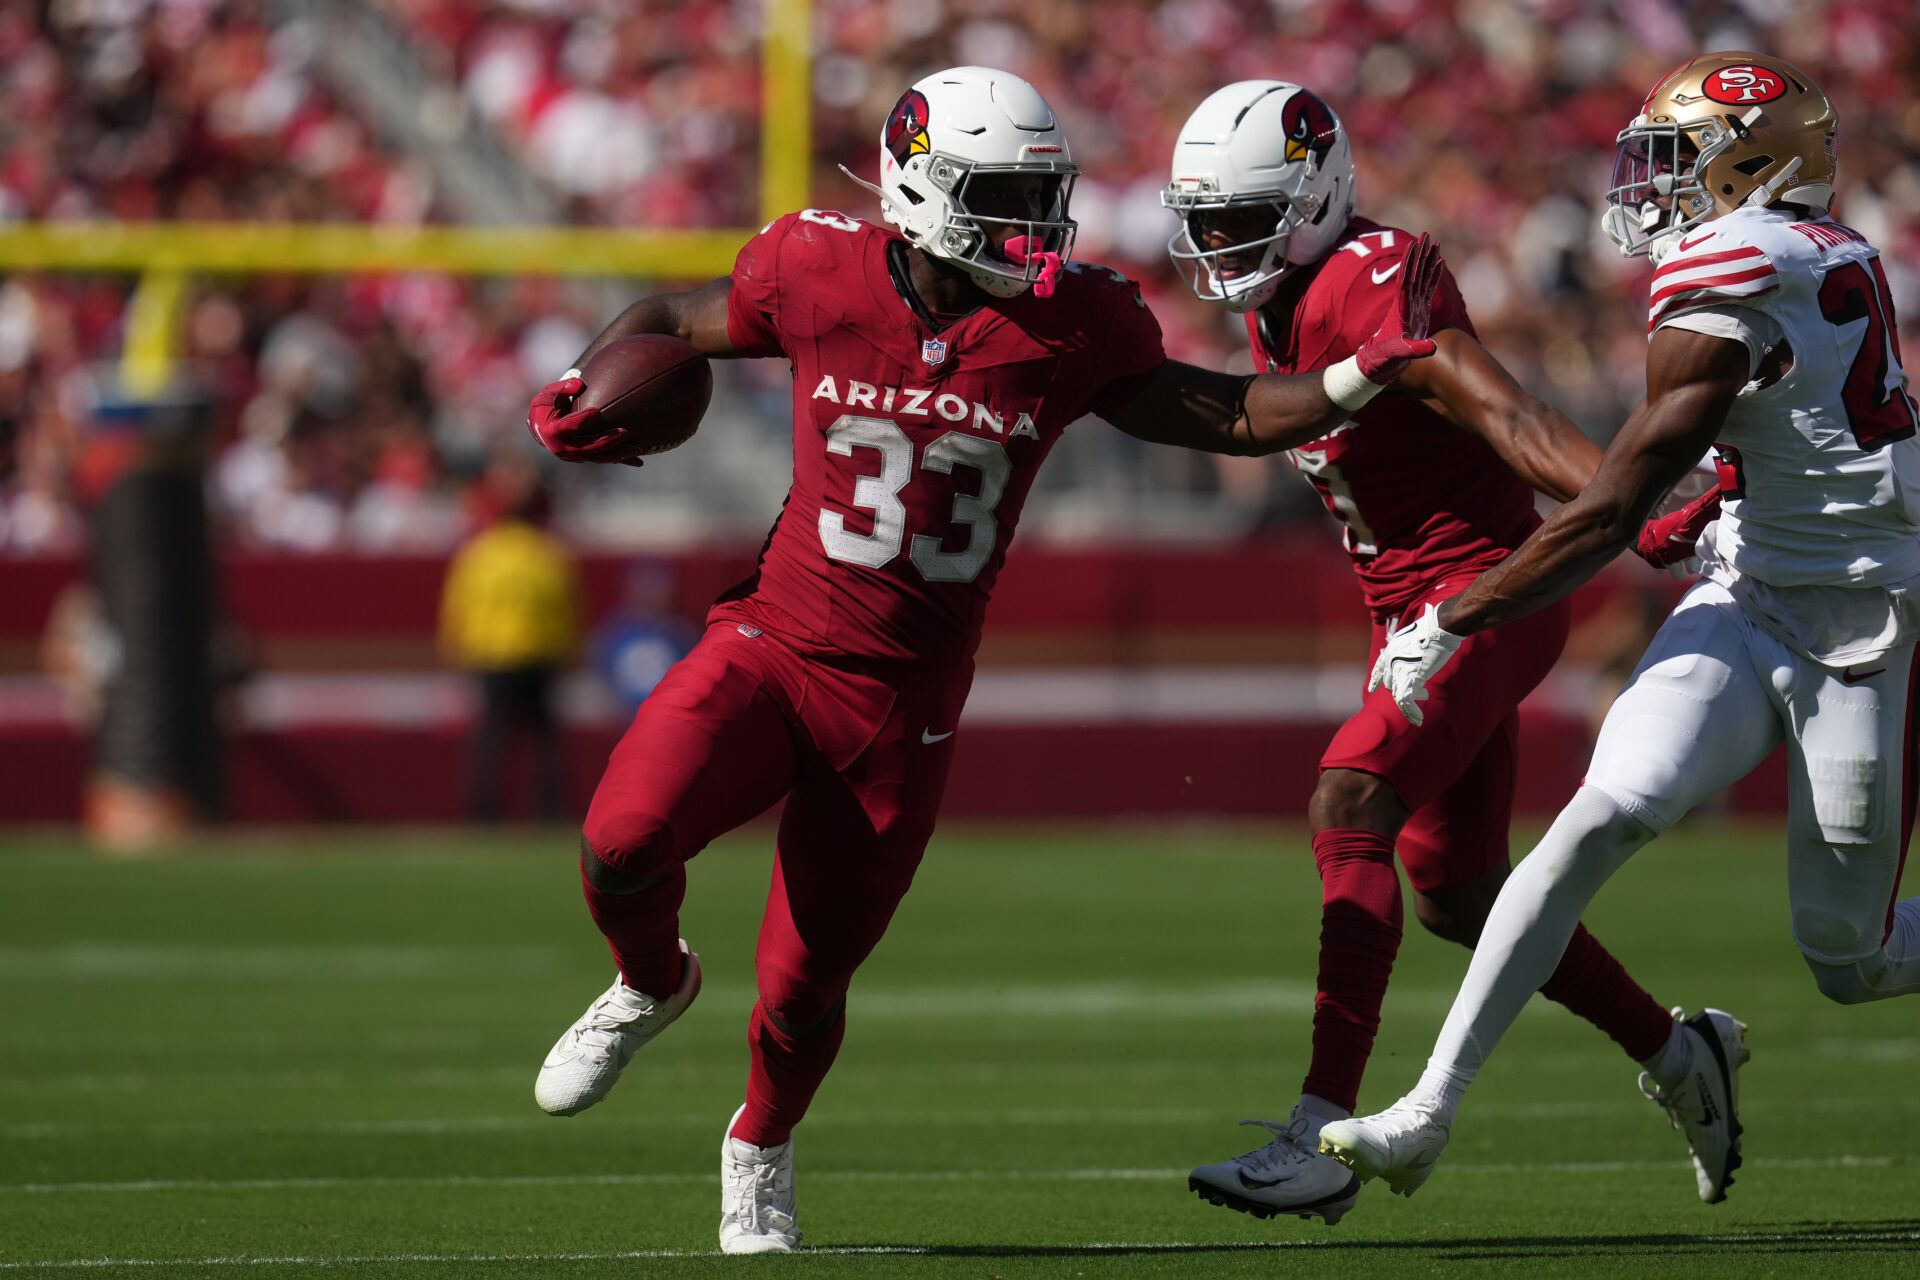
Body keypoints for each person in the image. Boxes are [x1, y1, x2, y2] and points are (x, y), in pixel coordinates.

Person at [520, 65, 1452, 1254]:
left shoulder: (1074, 322)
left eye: (1041, 192)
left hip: (902, 700)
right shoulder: (816, 269)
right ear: (923, 189)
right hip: (770, 640)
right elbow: (665, 322)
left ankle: (757, 1142)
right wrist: (576, 389)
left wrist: (1351, 377)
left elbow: (1217, 412)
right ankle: (651, 980)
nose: (1035, 223)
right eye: (1008, 194)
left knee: (806, 988)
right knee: (621, 836)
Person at [1321, 52, 1920, 1206]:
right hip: (1750, 594)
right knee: (1600, 815)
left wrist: (1453, 618)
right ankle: (1428, 1106)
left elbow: (1606, 512)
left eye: (1678, 155)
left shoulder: (1735, 257)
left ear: (1755, 165)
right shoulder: (1815, 249)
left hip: (1865, 634)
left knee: (1850, 960)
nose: (1654, 183)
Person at [1160, 81, 1723, 1225]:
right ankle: (1677, 1049)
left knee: (1349, 795)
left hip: (1483, 596)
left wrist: (1640, 506)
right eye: (1205, 220)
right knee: (1461, 893)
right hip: (1408, 611)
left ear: (1314, 198)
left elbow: (1502, 412)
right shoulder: (1285, 297)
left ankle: (1317, 1126)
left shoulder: (1370, 278)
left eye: (1241, 216)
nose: (1219, 243)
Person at [438, 455, 581, 822]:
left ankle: (485, 814)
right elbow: (567, 608)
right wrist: (567, 651)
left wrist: (457, 648)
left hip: (494, 656)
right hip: (538, 655)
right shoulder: (550, 553)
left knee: (492, 740)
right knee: (544, 743)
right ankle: (549, 812)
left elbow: (459, 607)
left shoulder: (480, 553)